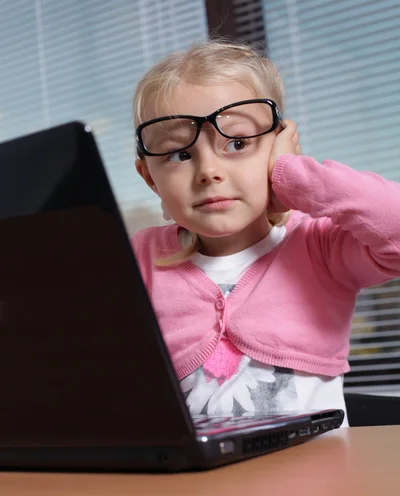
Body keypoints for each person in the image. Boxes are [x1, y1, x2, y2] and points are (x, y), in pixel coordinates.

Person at [131, 39, 400, 427]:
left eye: (237, 143)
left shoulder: (320, 246)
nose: (209, 171)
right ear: (150, 179)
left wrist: (295, 176)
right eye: (180, 154)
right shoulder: (138, 261)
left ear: (277, 149)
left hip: (315, 480)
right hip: (193, 486)